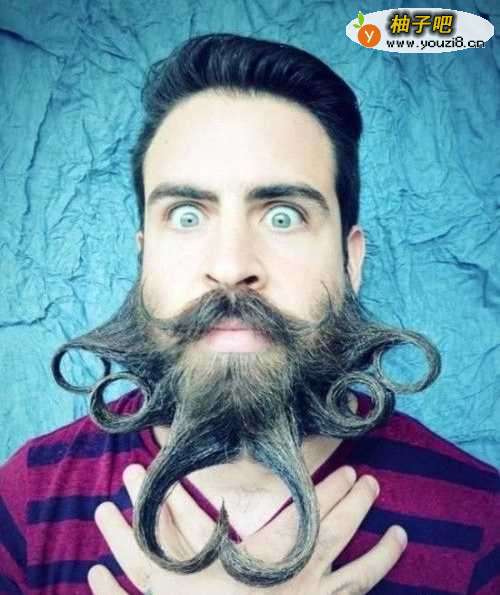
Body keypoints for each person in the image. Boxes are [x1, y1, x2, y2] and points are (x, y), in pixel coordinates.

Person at [0, 33, 498, 595]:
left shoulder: (484, 524)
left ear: (351, 260)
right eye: (187, 215)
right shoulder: (24, 500)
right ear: (144, 256)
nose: (232, 266)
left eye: (283, 216)